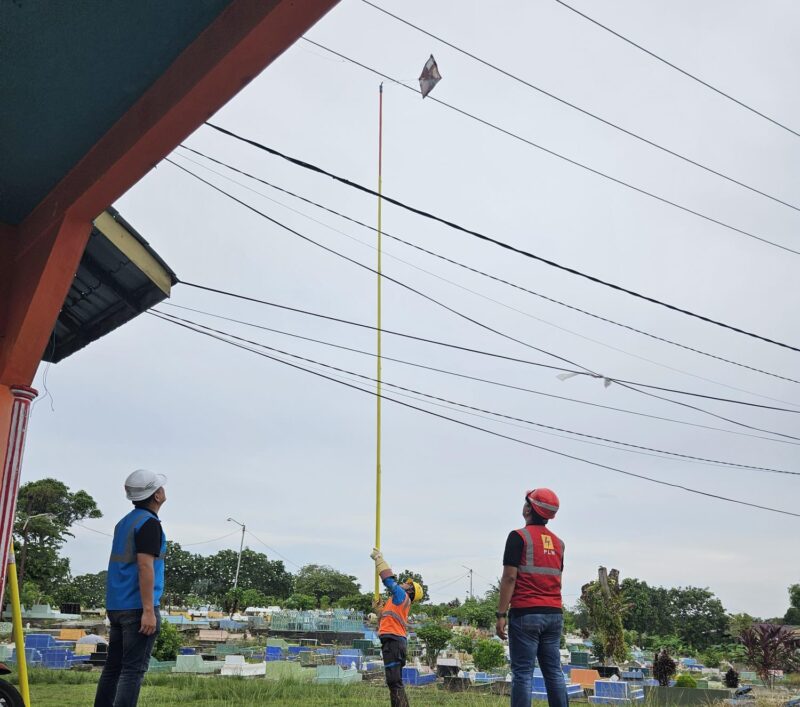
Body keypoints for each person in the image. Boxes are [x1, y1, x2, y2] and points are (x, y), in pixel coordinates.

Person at [95, 469, 167, 707]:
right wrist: (148, 610)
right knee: (132, 671)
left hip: (117, 605)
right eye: (160, 487)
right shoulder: (150, 524)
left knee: (113, 668)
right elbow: (145, 567)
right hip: (137, 607)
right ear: (156, 495)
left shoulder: (124, 523)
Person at [496, 488, 567, 707]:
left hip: (526, 614)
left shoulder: (518, 537)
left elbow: (509, 578)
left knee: (523, 673)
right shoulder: (559, 543)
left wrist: (500, 614)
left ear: (528, 509)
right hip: (554, 615)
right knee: (554, 672)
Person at [370, 547, 424, 707]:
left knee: (394, 681)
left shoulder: (402, 595)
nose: (403, 584)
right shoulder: (397, 601)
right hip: (393, 641)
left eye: (407, 584)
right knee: (393, 682)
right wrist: (378, 611)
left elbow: (388, 580)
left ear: (410, 591)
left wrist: (379, 560)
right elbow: (385, 621)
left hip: (394, 641)